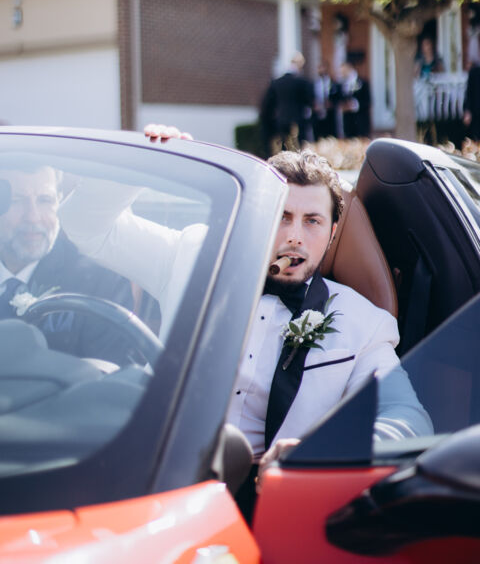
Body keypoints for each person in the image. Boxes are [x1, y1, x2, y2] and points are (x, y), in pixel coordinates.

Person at [59, 127, 433, 520]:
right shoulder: (192, 256)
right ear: (258, 216)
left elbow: (408, 418)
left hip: (281, 506)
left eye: (312, 221)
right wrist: (147, 160)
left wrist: (323, 452)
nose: (294, 237)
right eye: (282, 216)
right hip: (164, 485)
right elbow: (84, 226)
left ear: (333, 233)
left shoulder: (365, 323)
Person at [0, 164, 136, 364]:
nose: (33, 217)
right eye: (17, 201)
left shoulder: (101, 283)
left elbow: (111, 376)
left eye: (45, 200)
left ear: (60, 201)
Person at [259, 52, 314, 154]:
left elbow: (268, 104)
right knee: (299, 149)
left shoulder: (277, 82)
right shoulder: (303, 82)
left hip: (282, 119)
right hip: (298, 121)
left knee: (284, 148)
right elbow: (310, 101)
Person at [331, 60, 371, 138]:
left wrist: (354, 105)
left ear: (350, 68)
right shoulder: (341, 84)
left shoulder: (362, 82)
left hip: (360, 121)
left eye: (343, 71)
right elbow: (337, 99)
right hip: (347, 121)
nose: (342, 73)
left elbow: (367, 100)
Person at [311, 61, 335, 139]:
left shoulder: (332, 83)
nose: (321, 70)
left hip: (329, 113)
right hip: (318, 112)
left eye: (323, 68)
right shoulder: (314, 83)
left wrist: (331, 103)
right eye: (319, 68)